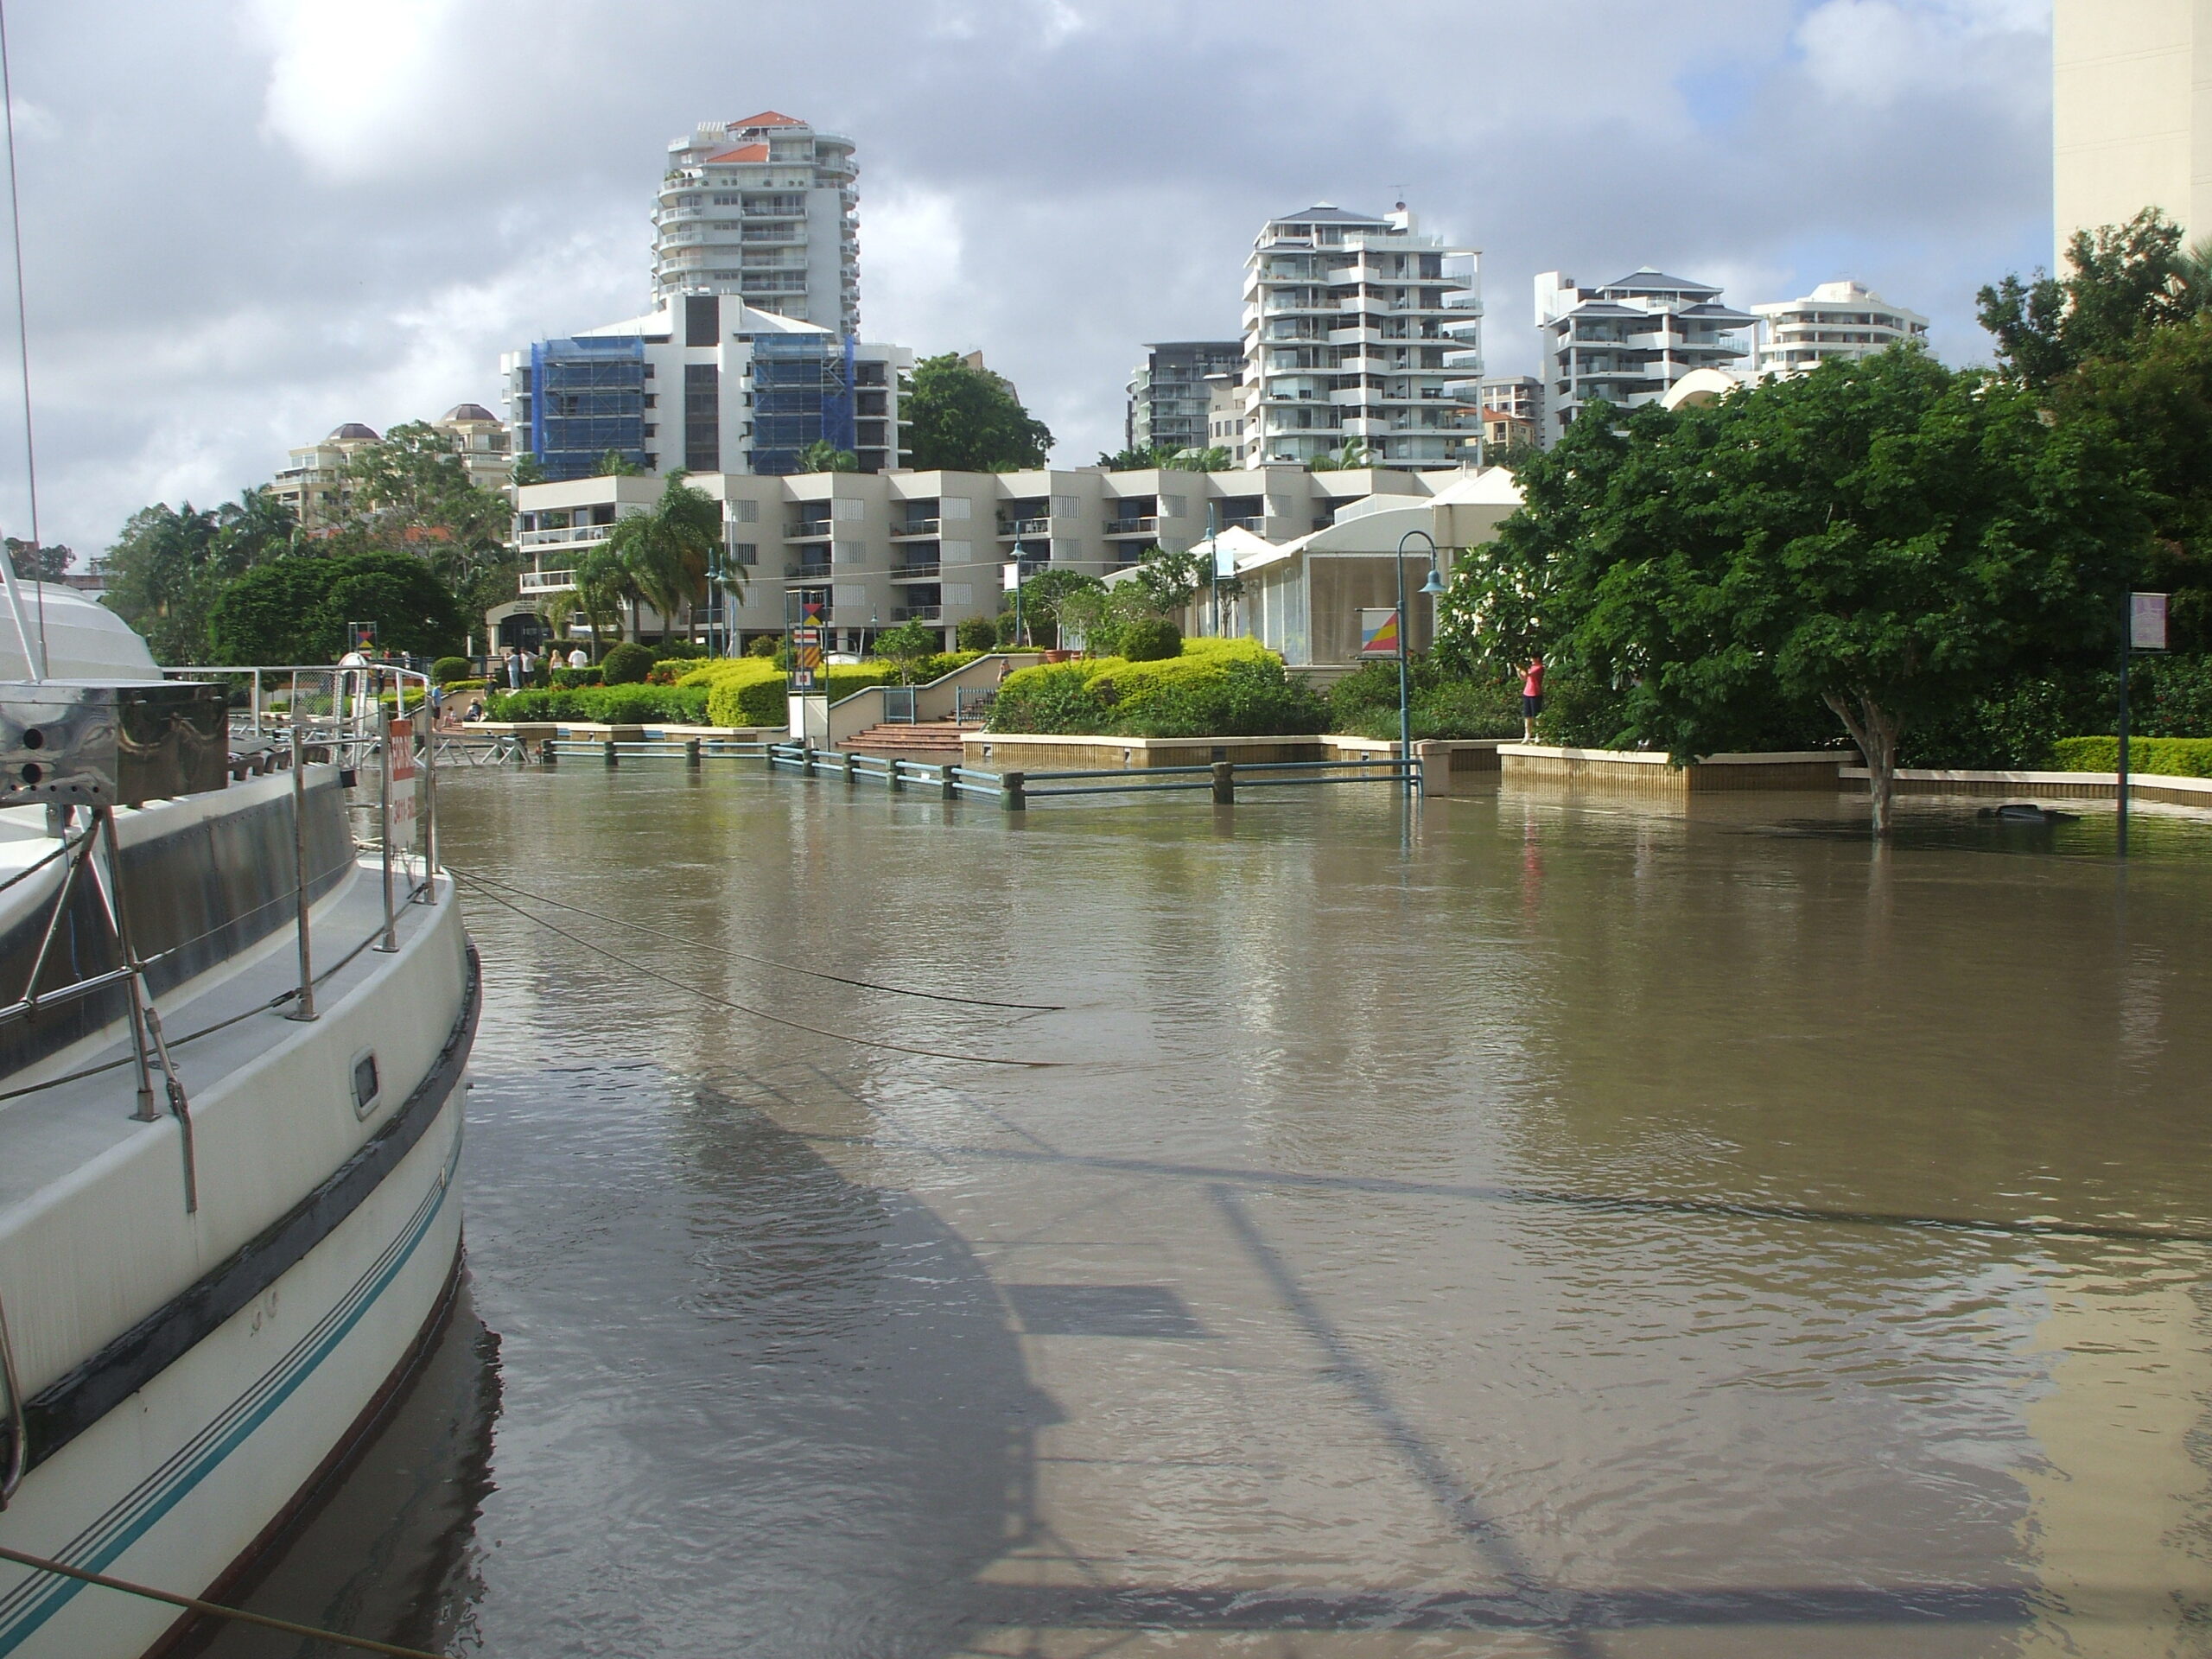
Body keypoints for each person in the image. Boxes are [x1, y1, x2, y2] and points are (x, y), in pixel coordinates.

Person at [1521, 656, 1545, 742]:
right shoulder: (1531, 668)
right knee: (1527, 715)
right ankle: (1527, 734)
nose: (1531, 660)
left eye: (1533, 658)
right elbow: (1524, 678)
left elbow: (1529, 675)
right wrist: (1518, 670)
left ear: (1537, 658)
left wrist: (1521, 668)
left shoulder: (1540, 668)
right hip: (1527, 692)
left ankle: (1538, 734)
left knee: (1536, 715)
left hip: (1536, 693)